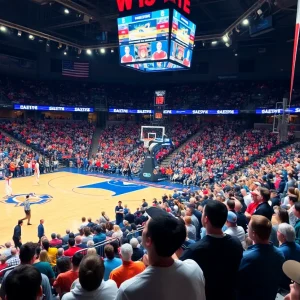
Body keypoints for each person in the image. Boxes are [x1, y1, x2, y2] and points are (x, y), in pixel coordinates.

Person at [116, 207, 206, 300]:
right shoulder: (194, 269)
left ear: (148, 241)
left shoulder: (128, 291)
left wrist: (150, 265)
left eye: (145, 226)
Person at [180, 201, 243, 300]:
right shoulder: (236, 243)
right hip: (230, 294)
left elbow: (179, 270)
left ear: (206, 219)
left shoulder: (194, 251)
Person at [237, 215, 285, 300]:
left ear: (254, 234)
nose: (247, 229)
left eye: (249, 227)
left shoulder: (246, 257)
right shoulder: (280, 254)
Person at [277, 223, 300, 292]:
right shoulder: (298, 247)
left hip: (284, 287)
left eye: (278, 231)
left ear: (283, 236)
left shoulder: (279, 252)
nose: (276, 232)